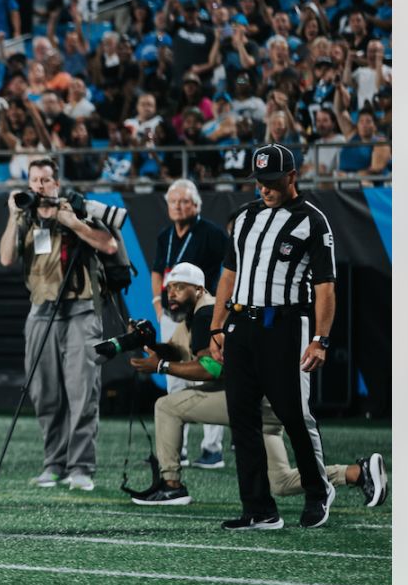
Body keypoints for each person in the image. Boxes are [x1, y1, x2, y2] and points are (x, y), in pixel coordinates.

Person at [128, 263, 388, 508]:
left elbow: (213, 368)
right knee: (282, 482)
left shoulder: (205, 314)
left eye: (180, 287)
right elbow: (177, 350)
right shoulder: (196, 314)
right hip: (268, 400)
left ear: (199, 289)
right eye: (169, 288)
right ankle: (358, 473)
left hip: (252, 399)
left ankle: (171, 485)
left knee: (167, 406)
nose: (172, 293)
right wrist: (149, 344)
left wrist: (160, 367)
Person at [208, 144, 338, 530]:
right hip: (242, 324)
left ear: (292, 177)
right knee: (242, 418)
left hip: (286, 325)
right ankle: (259, 509)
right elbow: (229, 275)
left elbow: (326, 287)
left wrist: (321, 339)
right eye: (260, 182)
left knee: (294, 414)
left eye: (272, 181)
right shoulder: (246, 217)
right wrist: (217, 326)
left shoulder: (313, 221)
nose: (264, 189)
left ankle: (318, 490)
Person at [0, 159, 118, 491]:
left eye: (46, 180)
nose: (39, 186)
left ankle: (81, 467)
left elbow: (109, 244)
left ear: (57, 182)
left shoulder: (76, 208)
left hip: (80, 310)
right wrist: (12, 215)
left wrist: (72, 222)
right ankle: (54, 464)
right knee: (44, 393)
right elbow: (6, 258)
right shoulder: (26, 217)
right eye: (34, 180)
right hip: (40, 312)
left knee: (82, 392)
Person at [149, 180, 229, 468]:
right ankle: (177, 448)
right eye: (174, 202)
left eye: (184, 201)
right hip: (172, 316)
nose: (179, 206)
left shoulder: (210, 233)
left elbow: (233, 264)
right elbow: (158, 270)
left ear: (196, 205)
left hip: (202, 315)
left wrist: (220, 305)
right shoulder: (164, 235)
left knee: (206, 376)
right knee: (175, 380)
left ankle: (212, 450)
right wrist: (157, 305)